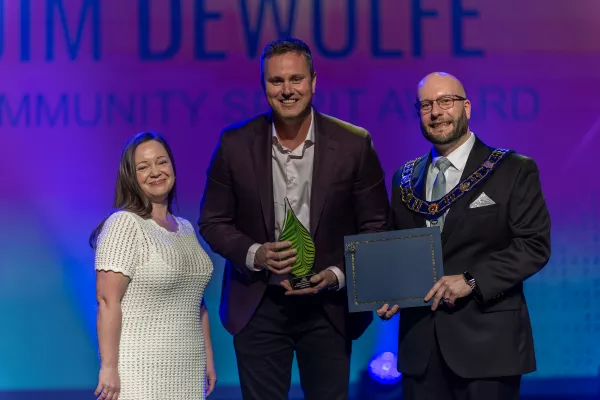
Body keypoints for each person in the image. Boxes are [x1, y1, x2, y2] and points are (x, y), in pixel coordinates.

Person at [198, 37, 389, 400]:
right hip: (259, 304)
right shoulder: (234, 144)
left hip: (328, 307)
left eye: (296, 79)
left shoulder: (354, 144)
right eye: (276, 81)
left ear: (313, 82)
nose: (287, 90)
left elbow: (376, 226)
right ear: (264, 87)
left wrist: (336, 275)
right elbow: (214, 221)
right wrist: (255, 253)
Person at [377, 72, 551, 400]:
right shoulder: (403, 178)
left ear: (467, 108)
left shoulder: (512, 169)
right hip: (421, 350)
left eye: (446, 101)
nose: (436, 112)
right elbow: (395, 247)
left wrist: (471, 280)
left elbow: (533, 246)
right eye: (426, 105)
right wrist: (387, 290)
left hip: (488, 347)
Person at [91, 132, 217, 400]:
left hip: (188, 370)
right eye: (143, 167)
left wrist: (208, 357)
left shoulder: (184, 228)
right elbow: (106, 301)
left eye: (162, 162)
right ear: (130, 176)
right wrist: (109, 367)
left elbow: (196, 302)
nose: (155, 172)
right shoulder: (124, 224)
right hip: (142, 371)